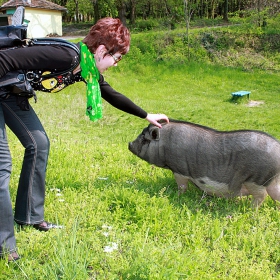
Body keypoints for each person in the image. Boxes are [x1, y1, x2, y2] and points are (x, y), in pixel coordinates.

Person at [0, 17, 169, 262]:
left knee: (39, 145)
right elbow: (4, 59)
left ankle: (30, 216)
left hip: (9, 93)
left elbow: (110, 93)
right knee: (2, 165)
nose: (117, 64)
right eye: (118, 57)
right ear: (102, 51)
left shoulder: (86, 68)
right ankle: (5, 246)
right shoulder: (66, 56)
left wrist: (146, 115)